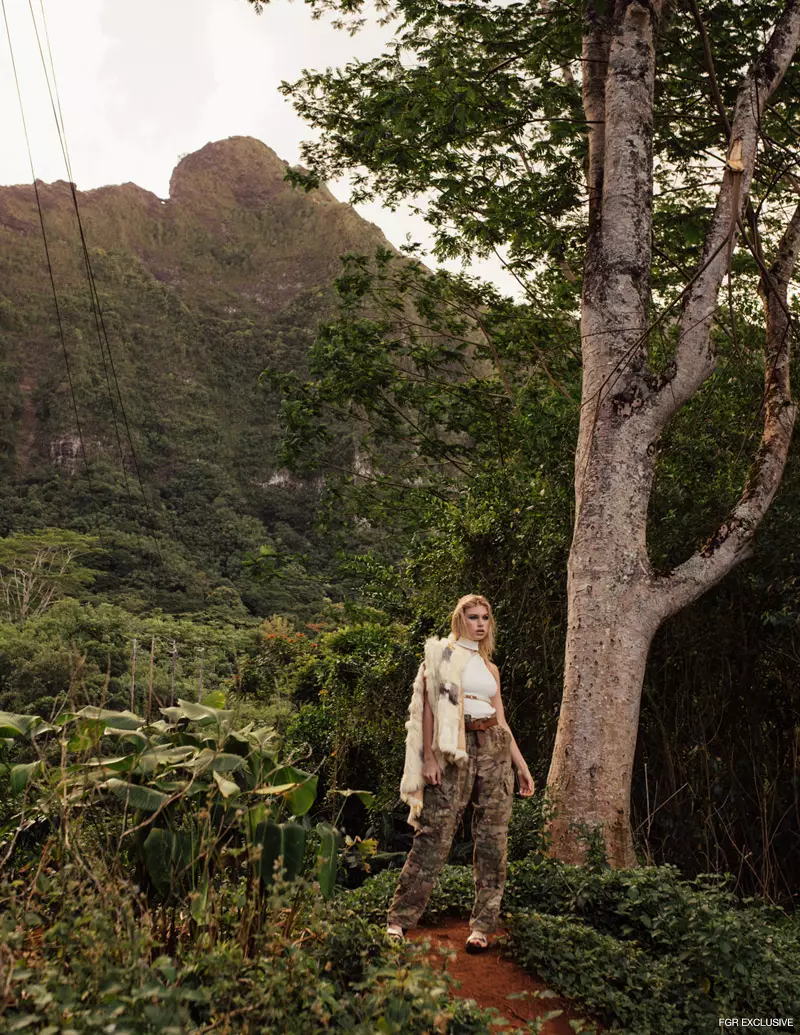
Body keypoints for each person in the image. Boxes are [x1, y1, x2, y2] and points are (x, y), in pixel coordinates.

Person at [386, 594, 534, 952]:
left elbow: (501, 719)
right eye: (473, 617)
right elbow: (428, 709)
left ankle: (482, 927)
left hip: (495, 746)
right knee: (434, 833)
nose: (480, 623)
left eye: (485, 617)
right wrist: (430, 759)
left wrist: (521, 765)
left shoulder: (490, 668)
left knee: (493, 838)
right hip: (455, 747)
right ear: (460, 620)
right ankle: (398, 920)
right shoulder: (441, 656)